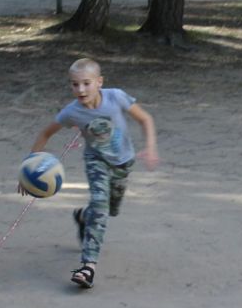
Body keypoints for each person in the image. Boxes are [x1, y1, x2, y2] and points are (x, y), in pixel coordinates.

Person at [23, 57, 158, 290]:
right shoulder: (71, 112)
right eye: (75, 84)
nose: (81, 89)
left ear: (99, 82)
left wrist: (151, 147)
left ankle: (84, 217)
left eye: (86, 83)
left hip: (124, 162)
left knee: (110, 209)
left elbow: (145, 119)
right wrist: (29, 168)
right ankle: (87, 267)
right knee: (101, 206)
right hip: (96, 161)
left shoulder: (116, 96)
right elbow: (45, 134)